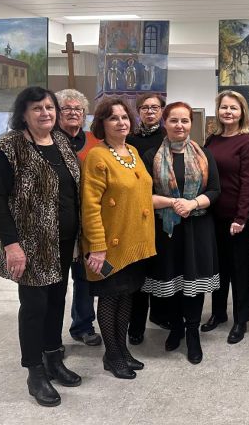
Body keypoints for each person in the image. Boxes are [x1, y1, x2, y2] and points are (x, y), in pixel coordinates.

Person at [0, 86, 82, 407]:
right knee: (34, 307)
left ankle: (53, 357)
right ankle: (35, 372)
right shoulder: (11, 145)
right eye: (37, 108)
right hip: (29, 244)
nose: (45, 113)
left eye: (49, 107)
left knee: (56, 300)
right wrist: (12, 245)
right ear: (23, 114)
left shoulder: (62, 142)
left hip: (63, 240)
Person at [81, 97, 156, 380]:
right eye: (113, 118)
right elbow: (90, 206)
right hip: (109, 245)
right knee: (110, 299)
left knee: (127, 297)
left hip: (133, 242)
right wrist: (97, 247)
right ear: (102, 123)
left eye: (125, 117)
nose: (121, 122)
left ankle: (122, 350)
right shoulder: (97, 156)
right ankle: (112, 355)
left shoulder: (133, 151)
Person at [141, 101, 221, 364]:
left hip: (197, 227)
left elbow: (215, 190)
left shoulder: (204, 155)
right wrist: (173, 202)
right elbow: (143, 195)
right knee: (172, 280)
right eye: (173, 120)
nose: (179, 125)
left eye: (184, 120)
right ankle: (175, 327)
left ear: (191, 124)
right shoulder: (151, 156)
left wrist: (192, 204)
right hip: (166, 230)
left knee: (193, 283)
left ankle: (192, 332)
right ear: (164, 123)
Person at [201, 90, 249, 344]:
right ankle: (218, 313)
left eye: (233, 108)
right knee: (218, 269)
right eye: (224, 107)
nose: (228, 112)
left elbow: (248, 183)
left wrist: (241, 217)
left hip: (236, 218)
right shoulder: (212, 139)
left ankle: (240, 320)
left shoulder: (247, 141)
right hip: (211, 215)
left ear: (241, 112)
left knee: (239, 270)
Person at [54, 88, 102, 347]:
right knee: (56, 280)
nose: (73, 113)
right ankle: (50, 337)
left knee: (85, 277)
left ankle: (83, 326)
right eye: (67, 108)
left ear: (84, 114)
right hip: (58, 223)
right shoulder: (47, 141)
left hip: (88, 222)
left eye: (78, 109)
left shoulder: (95, 141)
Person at [127, 93, 167, 345]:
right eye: (145, 108)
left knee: (160, 266)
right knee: (139, 269)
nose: (150, 111)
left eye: (155, 107)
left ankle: (160, 315)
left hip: (163, 210)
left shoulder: (168, 136)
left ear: (162, 111)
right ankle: (136, 325)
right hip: (135, 210)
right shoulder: (130, 139)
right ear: (138, 111)